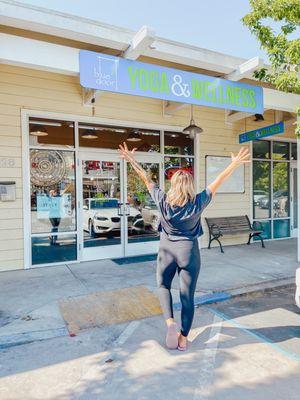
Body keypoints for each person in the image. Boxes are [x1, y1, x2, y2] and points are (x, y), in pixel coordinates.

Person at [118, 142, 250, 351]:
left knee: (163, 286)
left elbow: (145, 178)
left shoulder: (163, 200)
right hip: (189, 252)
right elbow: (219, 180)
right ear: (189, 186)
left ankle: (170, 323)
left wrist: (131, 159)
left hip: (167, 251)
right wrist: (233, 164)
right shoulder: (198, 202)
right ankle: (183, 338)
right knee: (187, 296)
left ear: (173, 185)